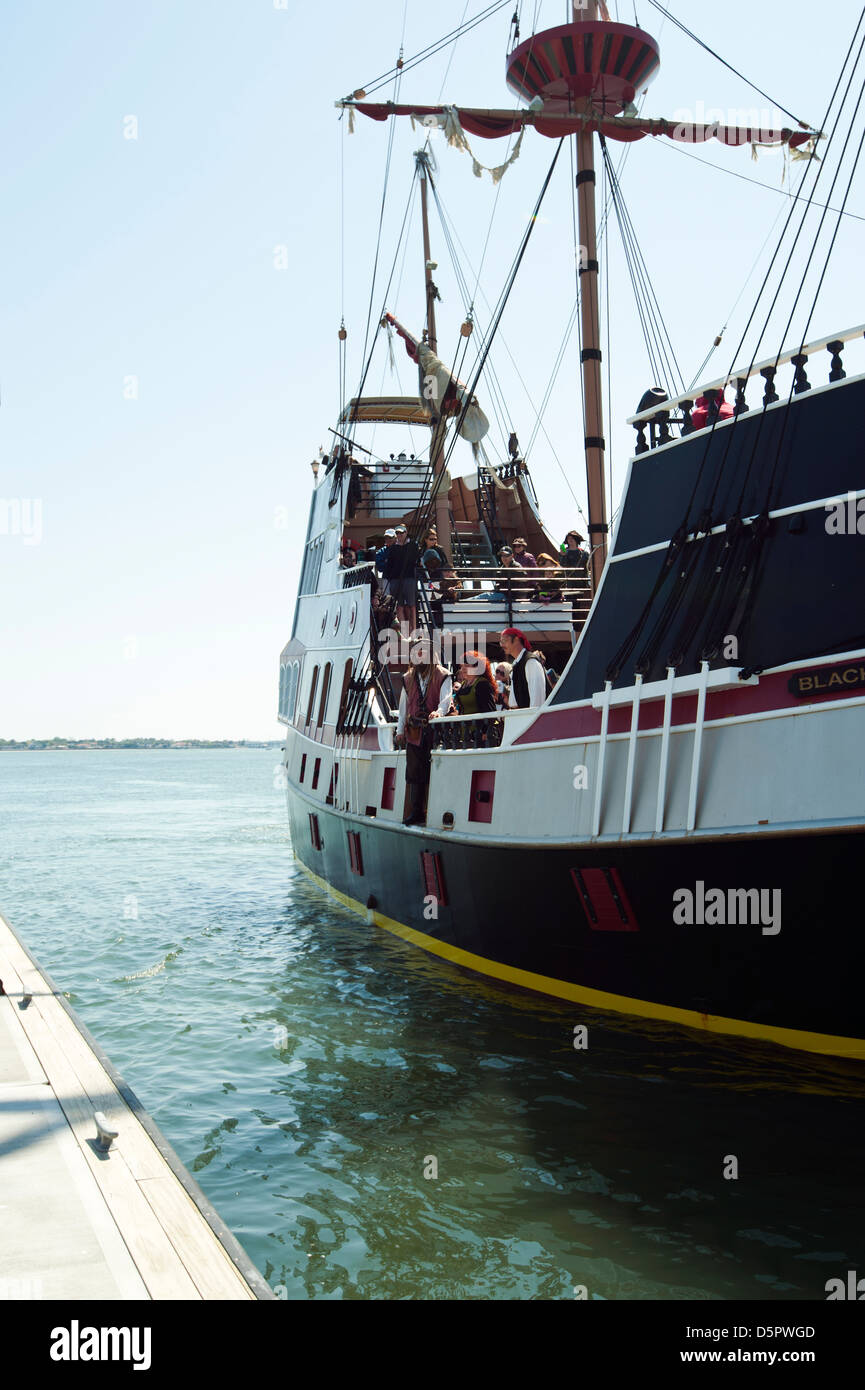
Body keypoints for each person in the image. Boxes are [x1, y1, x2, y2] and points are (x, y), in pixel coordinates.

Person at [394, 639, 452, 826]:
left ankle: (435, 811)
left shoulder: (443, 675)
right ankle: (416, 812)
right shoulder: (408, 678)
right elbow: (403, 707)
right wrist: (399, 730)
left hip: (435, 731)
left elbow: (446, 700)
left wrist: (439, 712)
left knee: (435, 771)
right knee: (414, 773)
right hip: (413, 731)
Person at [383, 524, 420, 632]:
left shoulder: (413, 545)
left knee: (411, 605)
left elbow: (415, 559)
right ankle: (405, 632)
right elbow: (389, 564)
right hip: (395, 579)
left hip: (409, 578)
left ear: (406, 533)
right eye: (397, 533)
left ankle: (413, 631)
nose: (399, 535)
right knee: (399, 606)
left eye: (401, 532)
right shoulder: (393, 548)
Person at [500, 628, 546, 707]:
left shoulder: (530, 662)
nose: (502, 645)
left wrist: (533, 718)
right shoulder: (517, 665)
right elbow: (514, 703)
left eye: (504, 640)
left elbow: (537, 699)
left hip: (531, 717)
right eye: (501, 642)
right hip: (522, 716)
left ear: (517, 639)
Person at [452, 652, 497, 717]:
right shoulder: (463, 684)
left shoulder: (482, 684)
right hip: (464, 725)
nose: (463, 669)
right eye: (462, 666)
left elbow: (489, 711)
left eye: (467, 665)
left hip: (480, 725)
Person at [375, 529, 397, 595]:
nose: (388, 540)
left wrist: (387, 562)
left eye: (390, 538)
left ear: (395, 538)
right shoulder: (381, 551)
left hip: (399, 579)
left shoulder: (401, 549)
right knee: (387, 599)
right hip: (386, 579)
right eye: (386, 538)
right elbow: (380, 567)